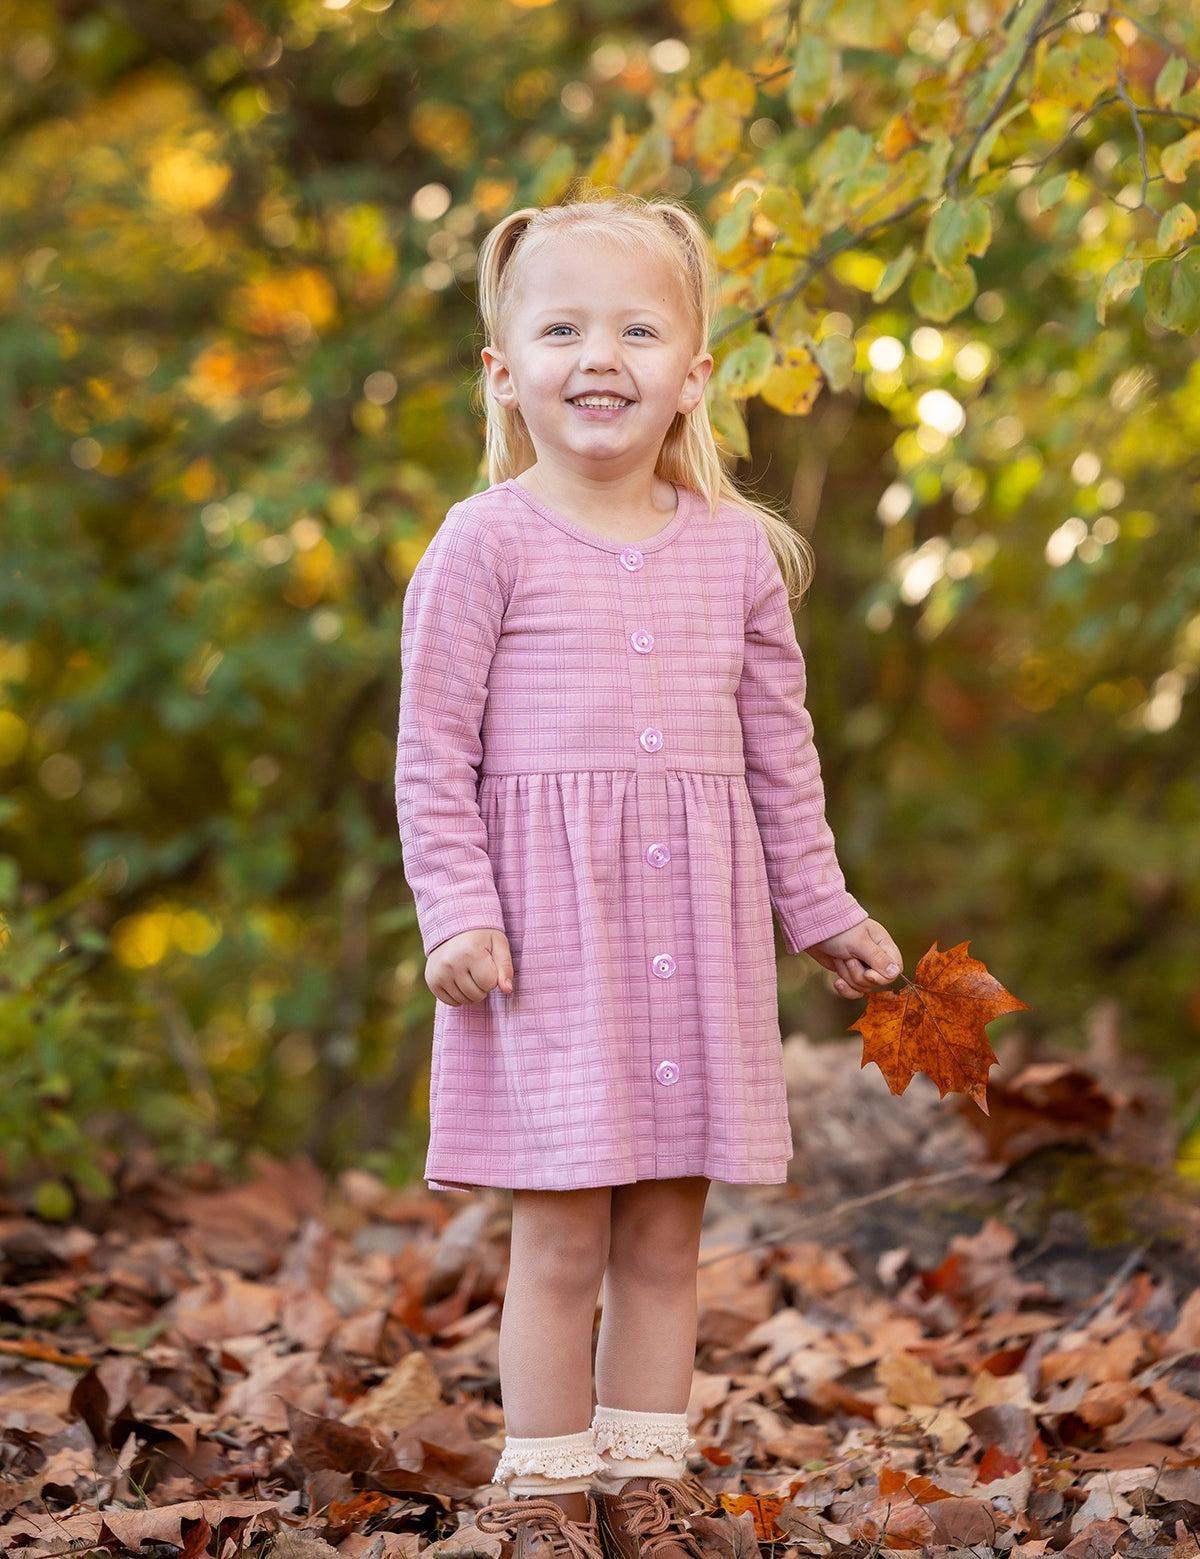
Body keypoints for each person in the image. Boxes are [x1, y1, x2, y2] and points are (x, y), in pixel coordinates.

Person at [395, 189, 903, 1559]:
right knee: (561, 1239)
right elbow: (432, 754)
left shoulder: (738, 552)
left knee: (668, 1240)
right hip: (547, 947)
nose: (599, 355)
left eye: (635, 327)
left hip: (697, 929)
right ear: (506, 371)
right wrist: (455, 911)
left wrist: (825, 907)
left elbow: (780, 758)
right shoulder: (483, 543)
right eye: (561, 328)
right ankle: (547, 1491)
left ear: (696, 372)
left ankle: (646, 1474)